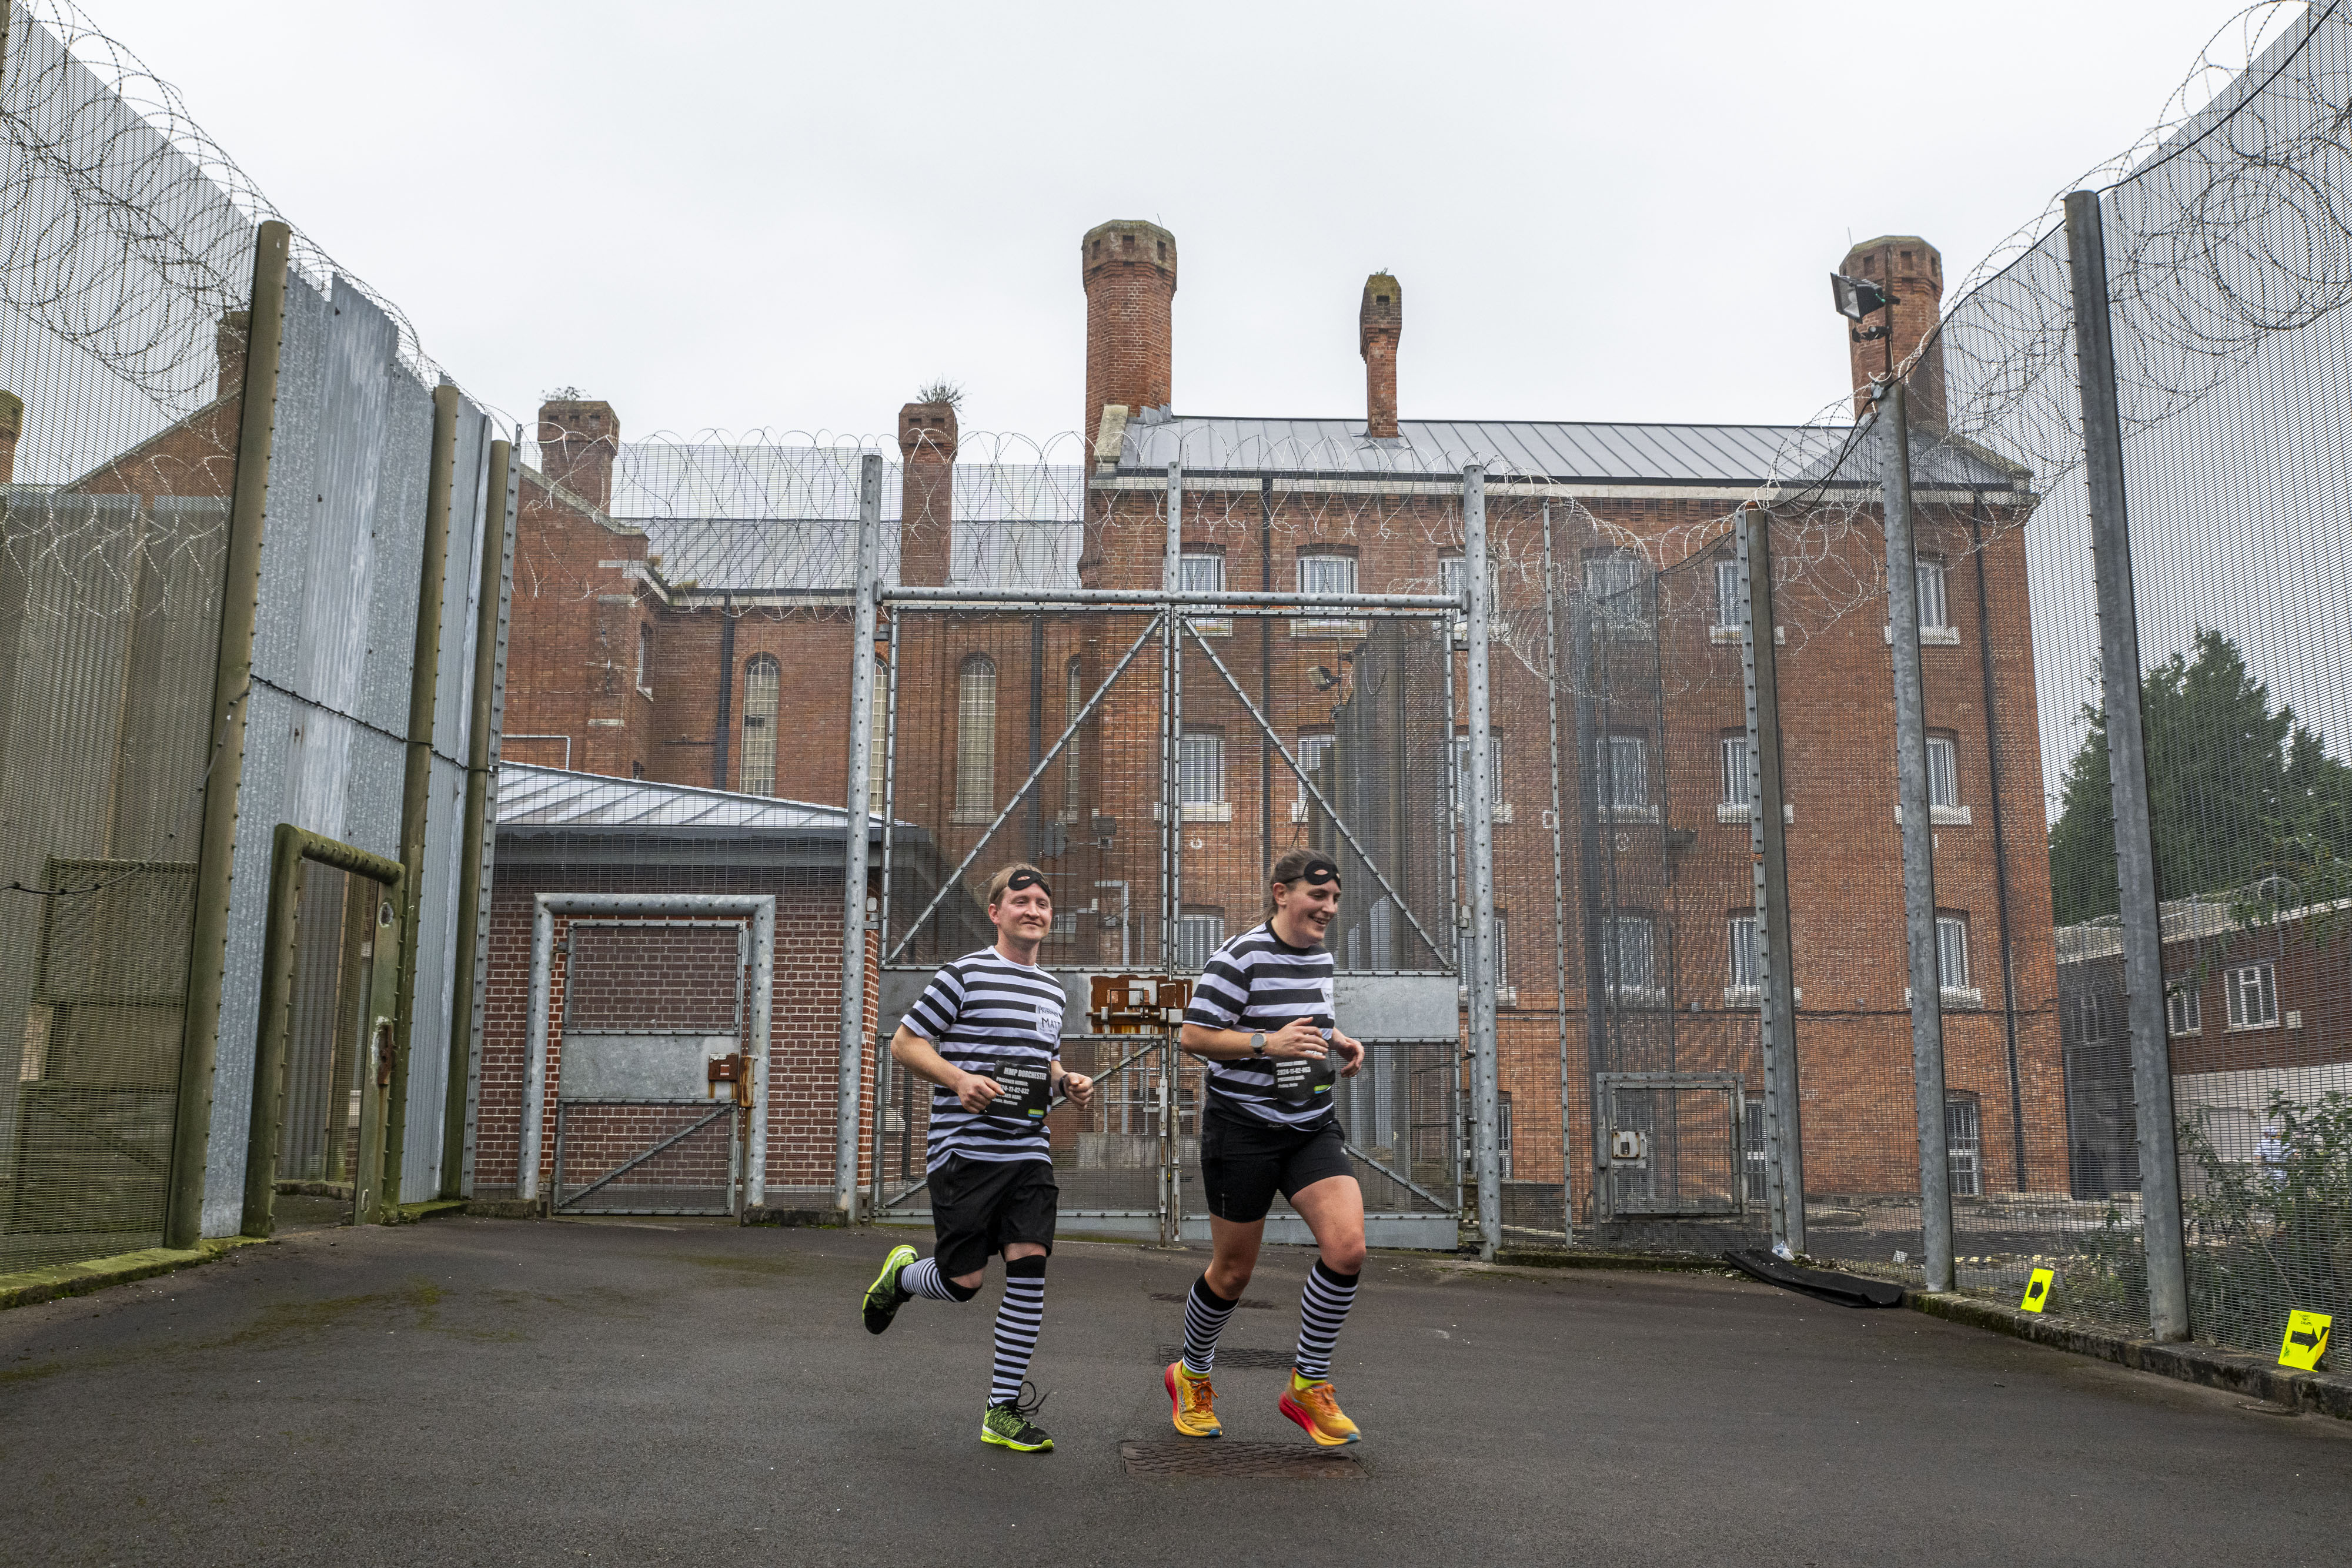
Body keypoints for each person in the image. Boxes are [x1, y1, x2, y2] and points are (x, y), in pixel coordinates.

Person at [858, 863, 1094, 1453]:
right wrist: (959, 1079)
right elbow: (906, 1043)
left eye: (1043, 902)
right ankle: (904, 1278)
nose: (1034, 910)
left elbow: (1043, 1059)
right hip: (965, 1153)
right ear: (996, 912)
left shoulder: (1051, 989)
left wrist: (1066, 1081)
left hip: (1027, 1153)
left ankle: (1001, 1410)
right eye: (1021, 902)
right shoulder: (962, 975)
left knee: (1030, 1269)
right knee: (962, 1282)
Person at [1165, 849, 1369, 1447]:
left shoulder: (1320, 956)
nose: (1328, 909)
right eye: (1318, 897)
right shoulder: (1239, 955)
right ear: (1282, 893)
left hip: (1309, 1125)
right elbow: (1195, 1037)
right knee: (1232, 1273)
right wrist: (1266, 1044)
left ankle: (1307, 1387)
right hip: (1242, 1129)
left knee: (1348, 1248)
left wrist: (1337, 1039)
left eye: (1334, 899)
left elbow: (1306, 1018)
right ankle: (1191, 1374)